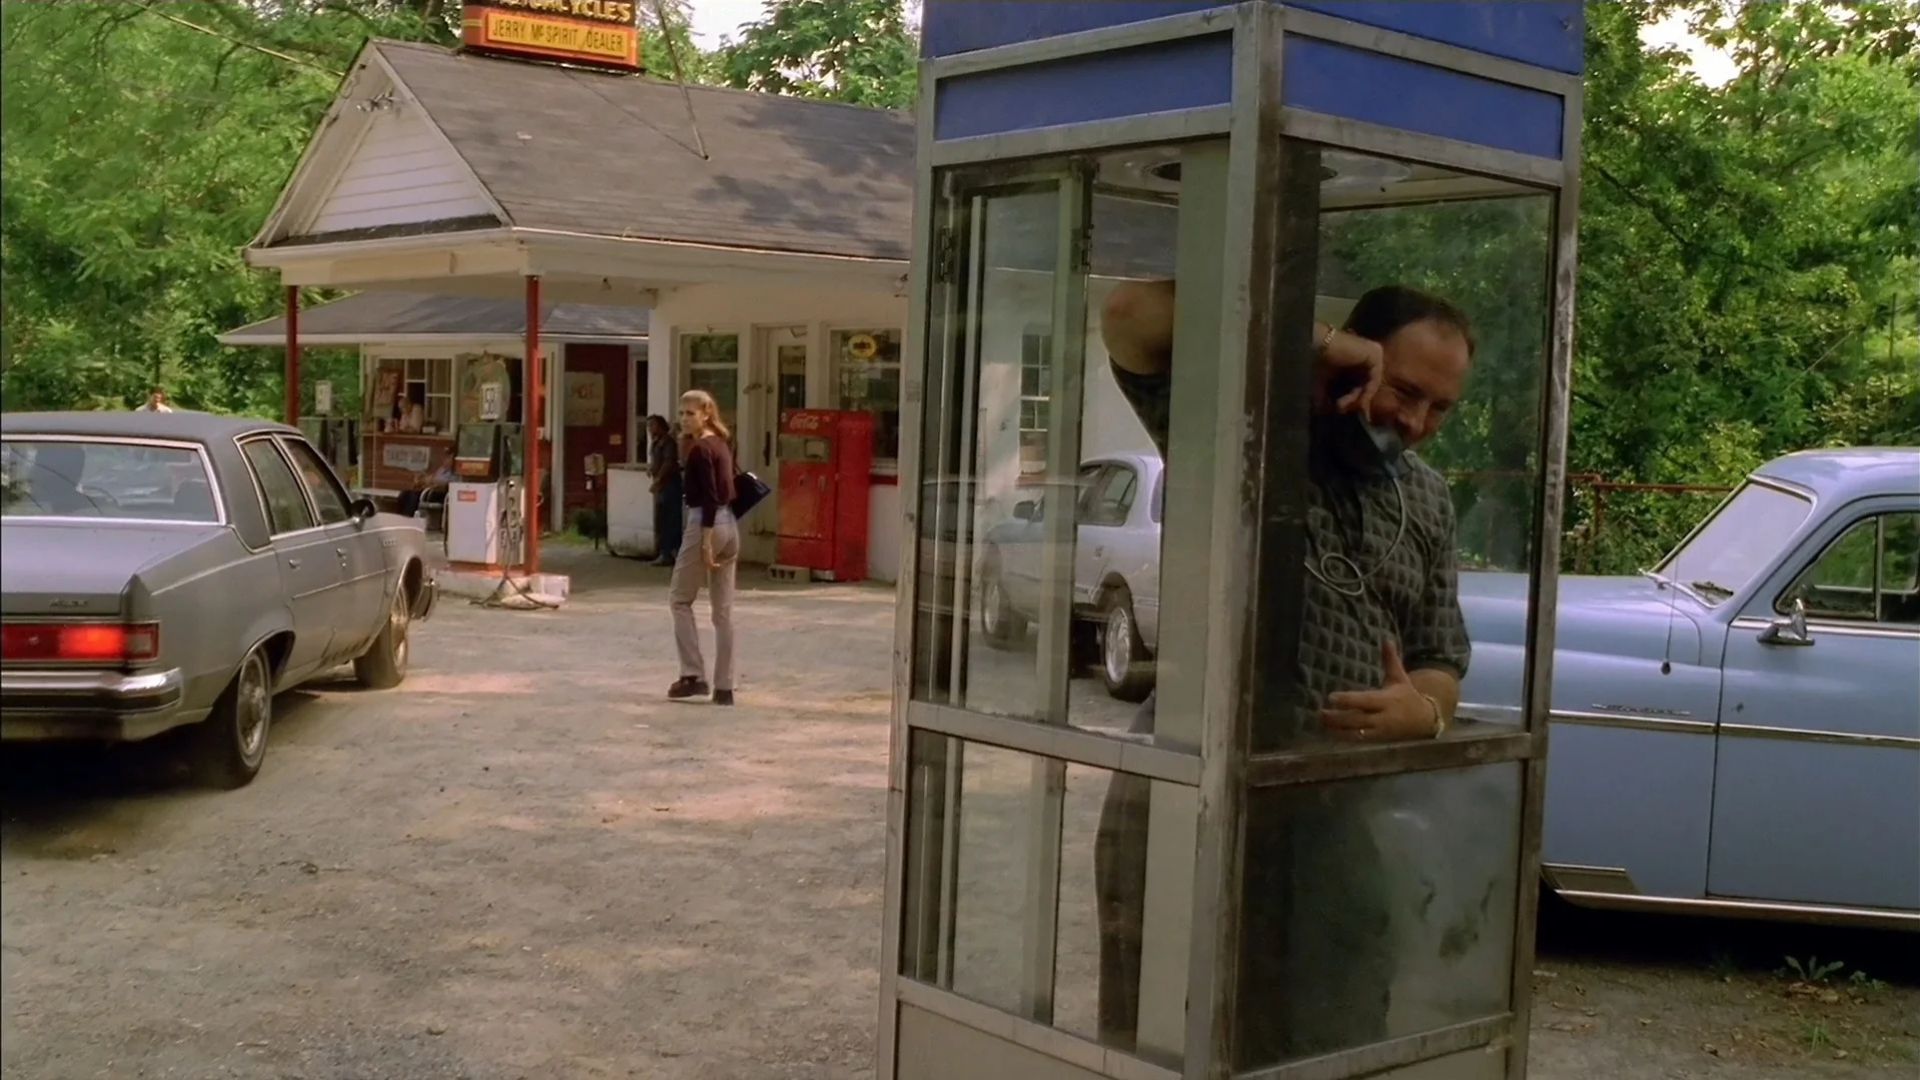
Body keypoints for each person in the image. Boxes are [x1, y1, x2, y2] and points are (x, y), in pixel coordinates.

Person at [1093, 280, 1474, 1061]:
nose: (1415, 423)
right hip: (1190, 788)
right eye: (1403, 392)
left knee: (1333, 1031)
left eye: (1440, 409)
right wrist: (1316, 340)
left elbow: (1439, 654)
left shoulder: (1428, 501)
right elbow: (1133, 318)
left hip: (1334, 817)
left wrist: (1426, 711)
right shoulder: (1240, 436)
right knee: (1162, 1031)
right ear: (1360, 362)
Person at [668, 389, 740, 706]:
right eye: (681, 413)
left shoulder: (699, 449)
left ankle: (693, 675)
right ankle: (725, 686)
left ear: (706, 414)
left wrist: (707, 541)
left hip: (705, 523)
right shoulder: (721, 443)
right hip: (730, 524)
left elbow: (709, 496)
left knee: (679, 599)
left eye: (690, 413)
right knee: (723, 612)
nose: (684, 419)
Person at [646, 414, 685, 567]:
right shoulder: (655, 442)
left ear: (661, 426)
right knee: (661, 519)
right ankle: (664, 551)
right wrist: (651, 468)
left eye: (653, 425)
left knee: (671, 519)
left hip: (670, 484)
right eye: (649, 426)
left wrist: (658, 479)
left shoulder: (668, 442)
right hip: (662, 486)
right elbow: (656, 460)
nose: (650, 429)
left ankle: (672, 551)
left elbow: (669, 463)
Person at [399, 446, 457, 519]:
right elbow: (431, 477)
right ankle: (400, 517)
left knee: (414, 496)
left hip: (439, 494)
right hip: (430, 490)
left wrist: (431, 481)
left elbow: (446, 483)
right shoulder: (442, 469)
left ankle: (408, 518)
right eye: (445, 457)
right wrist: (422, 479)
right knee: (405, 493)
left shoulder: (455, 472)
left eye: (448, 458)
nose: (445, 460)